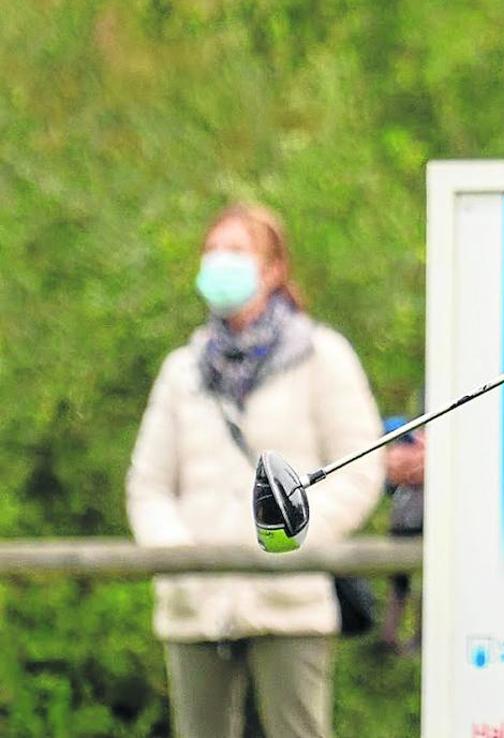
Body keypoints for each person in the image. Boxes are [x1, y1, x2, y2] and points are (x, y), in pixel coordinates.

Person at [125, 203, 384, 738]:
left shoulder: (321, 356)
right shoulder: (182, 370)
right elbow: (148, 486)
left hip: (291, 597)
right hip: (195, 606)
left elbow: (359, 468)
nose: (220, 261)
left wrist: (289, 542)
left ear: (273, 269)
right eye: (212, 250)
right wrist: (183, 561)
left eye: (236, 251)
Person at [378, 416, 425, 654]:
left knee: (400, 585)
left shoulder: (396, 455)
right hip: (417, 522)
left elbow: (388, 485)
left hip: (403, 523)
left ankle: (393, 638)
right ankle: (406, 638)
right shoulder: (423, 449)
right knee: (410, 583)